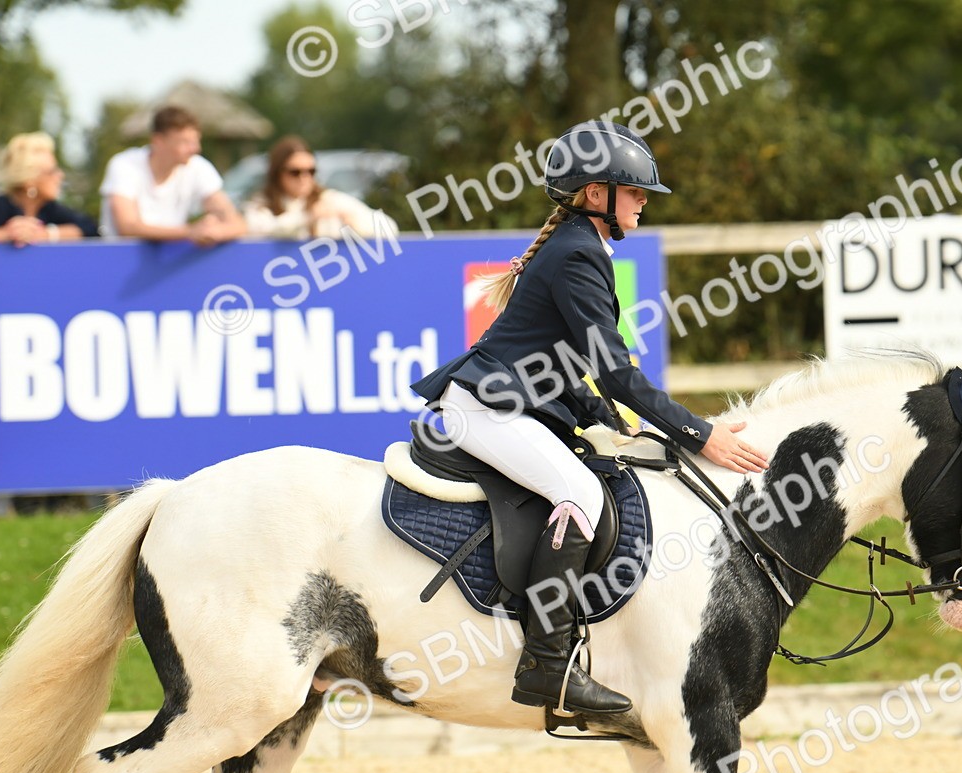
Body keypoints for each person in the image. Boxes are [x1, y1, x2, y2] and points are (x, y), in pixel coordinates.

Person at [411, 121, 769, 715]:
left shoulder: (579, 246)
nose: (645, 201)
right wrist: (699, 433)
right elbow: (617, 372)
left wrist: (613, 421)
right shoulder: (577, 252)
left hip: (507, 400)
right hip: (487, 409)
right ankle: (547, 667)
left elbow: (562, 363)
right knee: (581, 494)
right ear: (596, 193)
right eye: (635, 191)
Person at [99, 106, 245, 244]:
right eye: (185, 142)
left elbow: (237, 223)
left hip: (169, 262)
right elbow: (127, 227)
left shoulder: (198, 166)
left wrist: (215, 232)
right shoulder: (125, 164)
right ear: (158, 141)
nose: (195, 149)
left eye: (195, 141)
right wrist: (190, 232)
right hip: (119, 263)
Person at [243, 135, 398, 240]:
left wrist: (354, 222)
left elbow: (389, 227)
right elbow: (262, 229)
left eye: (311, 171)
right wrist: (308, 218)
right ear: (277, 173)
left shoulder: (328, 200)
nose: (304, 178)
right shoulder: (260, 205)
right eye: (295, 172)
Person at [0, 132, 99, 245]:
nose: (60, 175)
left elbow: (90, 228)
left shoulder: (51, 209)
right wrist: (4, 234)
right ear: (30, 181)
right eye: (52, 171)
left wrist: (46, 234)